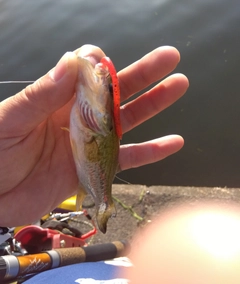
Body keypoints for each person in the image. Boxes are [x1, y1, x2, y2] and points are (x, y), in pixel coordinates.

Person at [0, 44, 189, 226]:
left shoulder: (94, 126)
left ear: (106, 120)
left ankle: (103, 204)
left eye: (107, 89)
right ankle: (103, 203)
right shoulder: (91, 124)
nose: (102, 85)